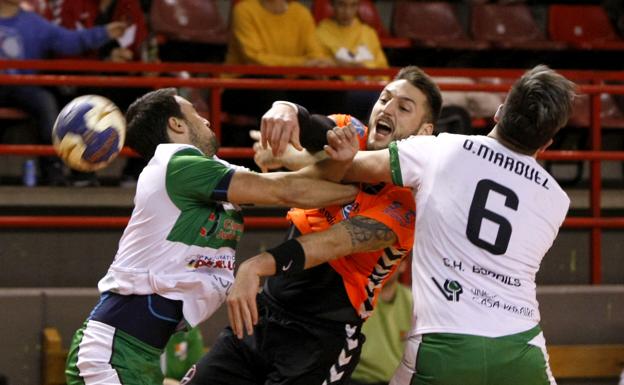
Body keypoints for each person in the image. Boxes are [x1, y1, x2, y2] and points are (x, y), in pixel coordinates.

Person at [266, 65, 576, 385]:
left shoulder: (439, 149)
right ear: (547, 143)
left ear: (499, 113)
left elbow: (348, 168)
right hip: (521, 344)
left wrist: (287, 151)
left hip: (444, 342)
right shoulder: (556, 201)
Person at [64, 87, 358, 385]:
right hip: (111, 354)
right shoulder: (176, 165)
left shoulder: (209, 170)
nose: (205, 120)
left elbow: (304, 183)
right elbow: (287, 191)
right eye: (194, 112)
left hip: (140, 355)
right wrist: (367, 194)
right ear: (177, 124)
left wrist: (344, 167)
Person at [182, 66, 442, 385]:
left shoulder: (408, 204)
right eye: (384, 98)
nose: (387, 108)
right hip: (265, 314)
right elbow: (318, 131)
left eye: (403, 107)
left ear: (425, 132)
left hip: (320, 340)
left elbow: (331, 244)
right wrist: (287, 110)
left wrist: (256, 266)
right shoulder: (354, 133)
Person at [0, 0, 126, 185]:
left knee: (45, 102)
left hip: (22, 87)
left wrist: (105, 32)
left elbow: (69, 41)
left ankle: (53, 167)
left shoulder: (33, 22)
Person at [315, 0, 389, 121]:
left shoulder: (368, 32)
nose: (347, 11)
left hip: (372, 87)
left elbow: (383, 71)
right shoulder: (321, 32)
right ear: (332, 5)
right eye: (342, 5)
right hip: (340, 92)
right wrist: (348, 67)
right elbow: (320, 66)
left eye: (352, 5)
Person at [348, 259, 413, 385]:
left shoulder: (413, 302)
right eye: (377, 261)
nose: (381, 267)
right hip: (357, 379)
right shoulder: (356, 297)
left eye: (390, 261)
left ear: (403, 266)